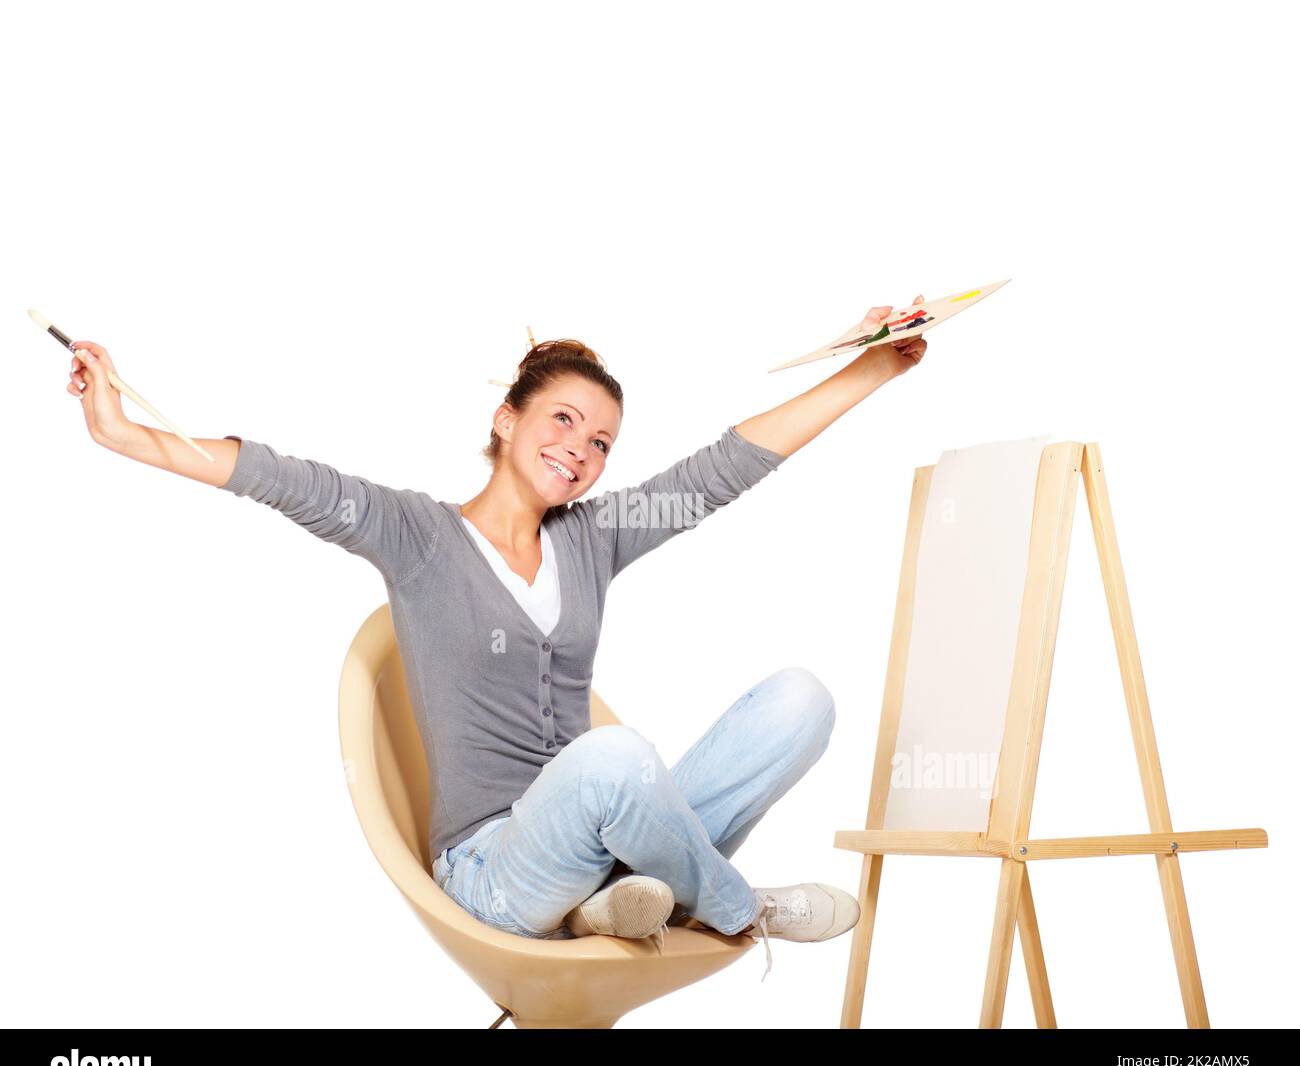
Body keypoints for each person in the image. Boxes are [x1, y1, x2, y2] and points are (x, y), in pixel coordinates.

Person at [64, 299, 928, 981]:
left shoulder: (596, 536)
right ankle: (744, 908)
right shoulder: (416, 536)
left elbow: (718, 473)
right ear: (507, 420)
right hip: (492, 867)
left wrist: (874, 366)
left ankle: (611, 903)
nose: (580, 451)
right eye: (561, 421)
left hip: (606, 846)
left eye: (599, 442)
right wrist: (124, 432)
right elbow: (286, 481)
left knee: (801, 701)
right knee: (613, 758)